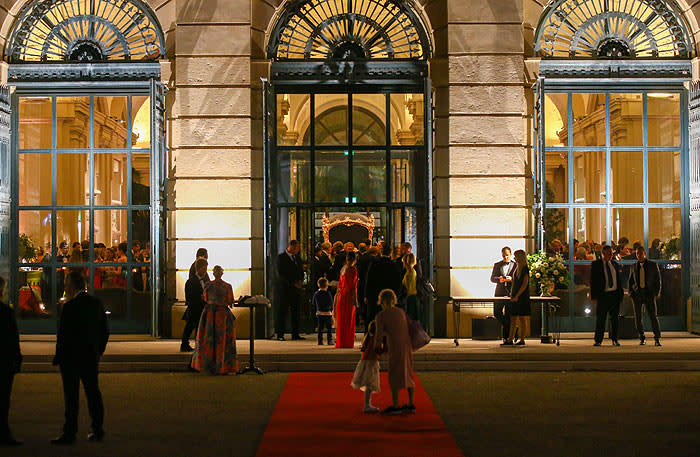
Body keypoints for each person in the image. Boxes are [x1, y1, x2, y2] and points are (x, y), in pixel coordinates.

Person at [51, 271, 109, 445]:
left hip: (71, 358)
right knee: (93, 393)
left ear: (72, 286)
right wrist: (98, 351)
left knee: (72, 397)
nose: (65, 287)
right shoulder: (96, 303)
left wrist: (59, 356)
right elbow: (104, 331)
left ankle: (70, 432)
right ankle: (97, 429)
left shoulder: (69, 307)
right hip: (90, 356)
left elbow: (63, 335)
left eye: (66, 284)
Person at [190, 266, 238, 374]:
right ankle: (223, 366)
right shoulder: (227, 286)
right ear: (222, 273)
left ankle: (207, 365)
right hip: (223, 315)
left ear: (213, 274)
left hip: (210, 314)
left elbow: (205, 298)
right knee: (223, 339)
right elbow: (230, 301)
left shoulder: (208, 285)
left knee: (208, 339)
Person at [374, 289, 415, 415]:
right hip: (406, 345)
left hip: (395, 346)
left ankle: (396, 404)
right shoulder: (401, 312)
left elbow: (379, 336)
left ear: (381, 301)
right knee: (408, 372)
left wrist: (377, 349)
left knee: (394, 373)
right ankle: (410, 403)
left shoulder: (381, 316)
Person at [0, 277, 22, 446]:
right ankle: (3, 432)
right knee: (3, 399)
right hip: (4, 361)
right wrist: (17, 359)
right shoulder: (6, 312)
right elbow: (13, 339)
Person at [590, 245, 624, 346]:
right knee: (601, 318)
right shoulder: (596, 264)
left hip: (614, 295)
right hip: (603, 295)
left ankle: (615, 339)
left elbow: (618, 280)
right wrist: (594, 297)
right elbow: (593, 281)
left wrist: (620, 294)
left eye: (611, 253)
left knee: (614, 319)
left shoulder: (614, 264)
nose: (610, 255)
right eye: (608, 253)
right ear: (603, 254)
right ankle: (598, 340)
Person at [628, 246, 662, 346]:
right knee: (638, 318)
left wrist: (656, 293)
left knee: (653, 317)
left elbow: (658, 280)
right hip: (637, 295)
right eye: (637, 253)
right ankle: (642, 337)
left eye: (641, 253)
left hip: (649, 294)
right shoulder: (633, 266)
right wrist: (631, 293)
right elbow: (630, 281)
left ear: (645, 254)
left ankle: (657, 338)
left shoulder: (652, 265)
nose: (639, 255)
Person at [364, 243, 402, 324]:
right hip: (390, 294)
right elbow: (398, 281)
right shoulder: (394, 265)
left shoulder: (375, 264)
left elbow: (369, 280)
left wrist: (367, 294)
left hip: (376, 294)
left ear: (381, 252)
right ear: (390, 253)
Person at [275, 240, 305, 341]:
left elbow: (301, 271)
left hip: (296, 290)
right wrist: (292, 283)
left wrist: (301, 281)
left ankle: (295, 334)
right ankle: (280, 334)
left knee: (295, 312)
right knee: (282, 312)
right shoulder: (281, 258)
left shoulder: (297, 258)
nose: (298, 250)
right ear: (291, 247)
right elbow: (281, 274)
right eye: (297, 247)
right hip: (285, 290)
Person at [351, 320, 382, 413]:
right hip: (371, 362)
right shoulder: (375, 339)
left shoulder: (368, 338)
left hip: (366, 361)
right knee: (370, 383)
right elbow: (378, 350)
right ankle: (367, 405)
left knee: (369, 383)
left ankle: (368, 404)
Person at [502, 250, 530, 347]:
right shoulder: (517, 268)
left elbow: (524, 284)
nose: (514, 258)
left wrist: (517, 295)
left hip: (522, 296)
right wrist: (512, 294)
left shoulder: (525, 269)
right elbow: (514, 282)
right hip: (515, 295)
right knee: (513, 318)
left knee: (522, 318)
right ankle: (510, 338)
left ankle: (522, 339)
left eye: (516, 256)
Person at [181, 258, 209, 352]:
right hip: (195, 308)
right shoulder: (191, 281)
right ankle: (186, 344)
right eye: (204, 269)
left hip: (201, 308)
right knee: (191, 327)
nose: (205, 271)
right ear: (199, 269)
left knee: (193, 327)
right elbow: (189, 296)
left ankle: (194, 345)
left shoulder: (204, 281)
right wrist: (200, 298)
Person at [490, 246, 516, 342]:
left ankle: (506, 338)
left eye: (507, 255)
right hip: (499, 293)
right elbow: (492, 278)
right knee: (497, 313)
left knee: (508, 315)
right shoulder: (497, 265)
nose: (505, 257)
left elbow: (519, 279)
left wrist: (511, 279)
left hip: (510, 293)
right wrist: (499, 279)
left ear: (511, 254)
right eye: (503, 255)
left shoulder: (515, 265)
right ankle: (512, 330)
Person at [335, 251, 358, 348]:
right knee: (349, 320)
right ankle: (348, 342)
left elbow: (340, 285)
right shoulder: (353, 270)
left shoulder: (343, 269)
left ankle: (341, 341)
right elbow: (352, 286)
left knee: (342, 320)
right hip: (349, 296)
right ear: (355, 260)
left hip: (341, 295)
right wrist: (355, 299)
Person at [313, 277, 334, 345]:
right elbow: (331, 303)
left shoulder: (316, 294)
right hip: (327, 313)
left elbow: (313, 303)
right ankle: (329, 340)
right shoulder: (328, 294)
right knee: (329, 328)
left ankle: (320, 341)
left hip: (319, 313)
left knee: (320, 328)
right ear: (327, 286)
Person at [402, 253, 420, 322]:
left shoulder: (409, 273)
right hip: (413, 296)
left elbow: (408, 287)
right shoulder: (412, 272)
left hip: (410, 297)